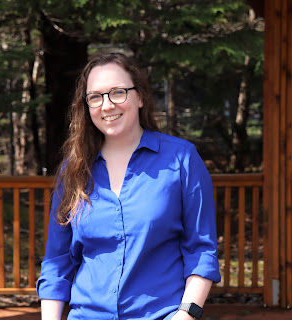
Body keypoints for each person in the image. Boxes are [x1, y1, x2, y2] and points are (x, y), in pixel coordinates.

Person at [37, 52, 221, 320]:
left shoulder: (182, 159)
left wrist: (186, 314)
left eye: (118, 92)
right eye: (96, 97)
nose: (107, 105)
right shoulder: (72, 171)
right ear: (86, 106)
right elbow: (57, 263)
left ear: (140, 97)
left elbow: (201, 249)